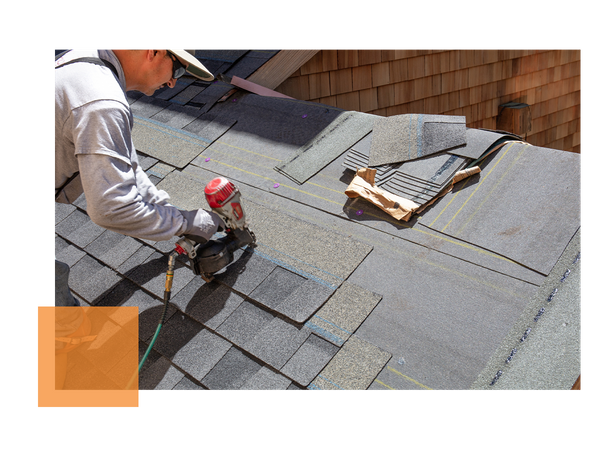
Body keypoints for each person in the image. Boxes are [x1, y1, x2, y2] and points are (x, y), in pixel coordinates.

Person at [52, 48, 223, 386]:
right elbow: (112, 208)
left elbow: (121, 160)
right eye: (178, 68)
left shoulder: (89, 63)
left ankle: (66, 352)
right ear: (153, 51)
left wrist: (159, 202)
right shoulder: (101, 101)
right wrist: (188, 223)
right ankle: (70, 383)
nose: (174, 82)